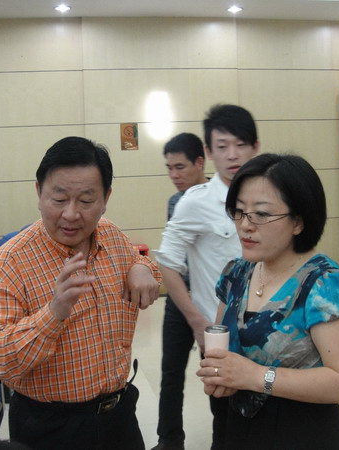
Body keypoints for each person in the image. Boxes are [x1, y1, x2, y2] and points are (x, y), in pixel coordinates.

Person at [0, 136, 162, 450]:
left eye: (86, 201)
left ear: (106, 198)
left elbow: (140, 263)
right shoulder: (8, 264)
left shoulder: (111, 236)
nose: (72, 214)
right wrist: (54, 314)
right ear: (39, 193)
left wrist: (142, 268)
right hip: (50, 425)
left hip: (119, 416)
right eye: (59, 199)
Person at [197, 153, 339, 449]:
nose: (245, 225)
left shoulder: (324, 284)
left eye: (261, 214)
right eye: (239, 211)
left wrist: (255, 376)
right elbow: (224, 347)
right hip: (236, 429)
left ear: (298, 221)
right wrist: (220, 375)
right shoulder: (237, 273)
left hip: (302, 434)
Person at [154, 105, 260, 450]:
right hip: (220, 331)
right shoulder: (194, 203)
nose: (233, 155)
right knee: (225, 416)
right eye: (223, 146)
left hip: (264, 325)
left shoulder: (271, 196)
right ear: (209, 152)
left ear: (255, 147)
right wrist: (197, 321)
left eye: (240, 145)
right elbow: (167, 262)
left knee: (264, 414)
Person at [155, 132, 208, 449]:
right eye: (169, 168)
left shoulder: (222, 199)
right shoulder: (175, 203)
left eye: (180, 167)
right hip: (179, 298)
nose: (174, 175)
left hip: (212, 301)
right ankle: (169, 439)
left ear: (200, 162)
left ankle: (226, 437)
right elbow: (174, 257)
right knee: (171, 372)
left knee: (217, 374)